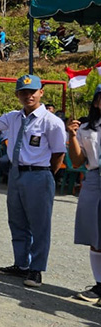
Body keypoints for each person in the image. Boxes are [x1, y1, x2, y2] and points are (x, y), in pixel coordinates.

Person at [0, 75, 66, 288]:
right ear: (17, 95)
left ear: (41, 92)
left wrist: (46, 173)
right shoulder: (13, 117)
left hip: (38, 174)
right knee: (17, 221)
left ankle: (36, 269)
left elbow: (59, 152)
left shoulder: (51, 121)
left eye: (32, 91)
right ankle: (21, 264)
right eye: (23, 92)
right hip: (16, 173)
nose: (28, 96)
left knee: (39, 224)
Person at [66, 87, 101, 305]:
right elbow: (77, 161)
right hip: (95, 178)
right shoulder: (86, 128)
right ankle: (99, 284)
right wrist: (72, 136)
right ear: (96, 102)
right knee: (95, 233)